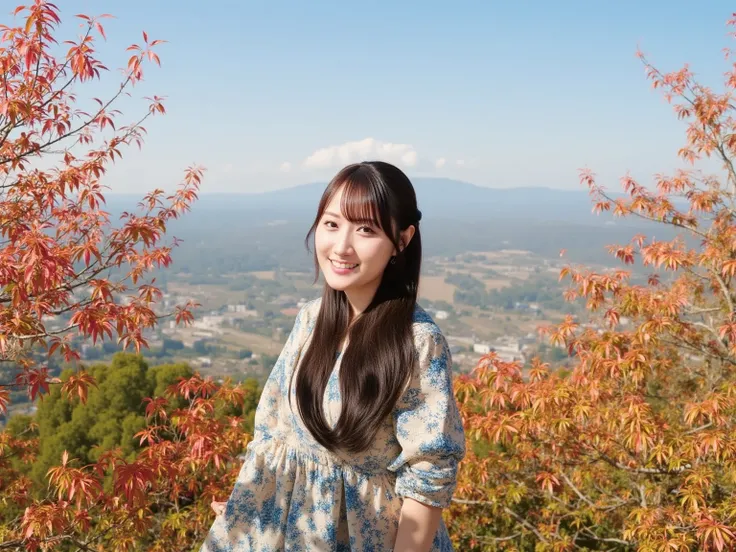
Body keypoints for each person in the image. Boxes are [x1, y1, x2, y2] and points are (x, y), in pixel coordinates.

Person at [200, 161, 466, 552]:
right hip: (285, 530)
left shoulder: (417, 342)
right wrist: (254, 501)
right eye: (331, 224)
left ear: (402, 239)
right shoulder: (312, 318)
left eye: (366, 230)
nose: (341, 246)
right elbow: (274, 431)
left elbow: (429, 474)